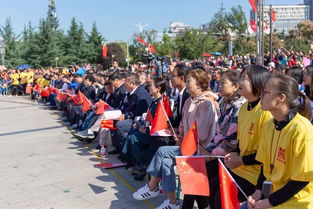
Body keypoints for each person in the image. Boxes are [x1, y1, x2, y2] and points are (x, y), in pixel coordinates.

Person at [133, 69, 218, 209]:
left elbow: (201, 135)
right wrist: (179, 134)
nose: (187, 83)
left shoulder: (206, 104)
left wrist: (184, 137)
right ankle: (172, 203)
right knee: (166, 163)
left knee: (162, 150)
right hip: (187, 145)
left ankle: (152, 186)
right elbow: (183, 126)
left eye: (190, 81)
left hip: (200, 149)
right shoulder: (189, 101)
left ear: (199, 84)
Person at [245, 74, 313, 209]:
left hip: (296, 201)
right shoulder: (269, 124)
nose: (260, 96)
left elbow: (301, 180)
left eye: (265, 93)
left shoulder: (301, 129)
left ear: (281, 98)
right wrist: (258, 192)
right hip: (274, 196)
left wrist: (269, 202)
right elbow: (265, 167)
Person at [181, 70, 246, 209]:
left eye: (223, 82)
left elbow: (231, 141)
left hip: (230, 156)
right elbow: (218, 132)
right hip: (215, 152)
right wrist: (208, 152)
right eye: (220, 82)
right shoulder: (223, 103)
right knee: (194, 173)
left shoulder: (239, 107)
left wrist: (209, 155)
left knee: (197, 174)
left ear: (235, 86)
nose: (219, 85)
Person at [215, 65, 272, 208]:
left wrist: (241, 160)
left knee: (219, 196)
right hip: (240, 167)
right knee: (208, 184)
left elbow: (266, 154)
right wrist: (234, 154)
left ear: (257, 81)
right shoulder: (244, 108)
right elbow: (241, 143)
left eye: (244, 78)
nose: (240, 82)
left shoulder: (265, 111)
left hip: (255, 174)